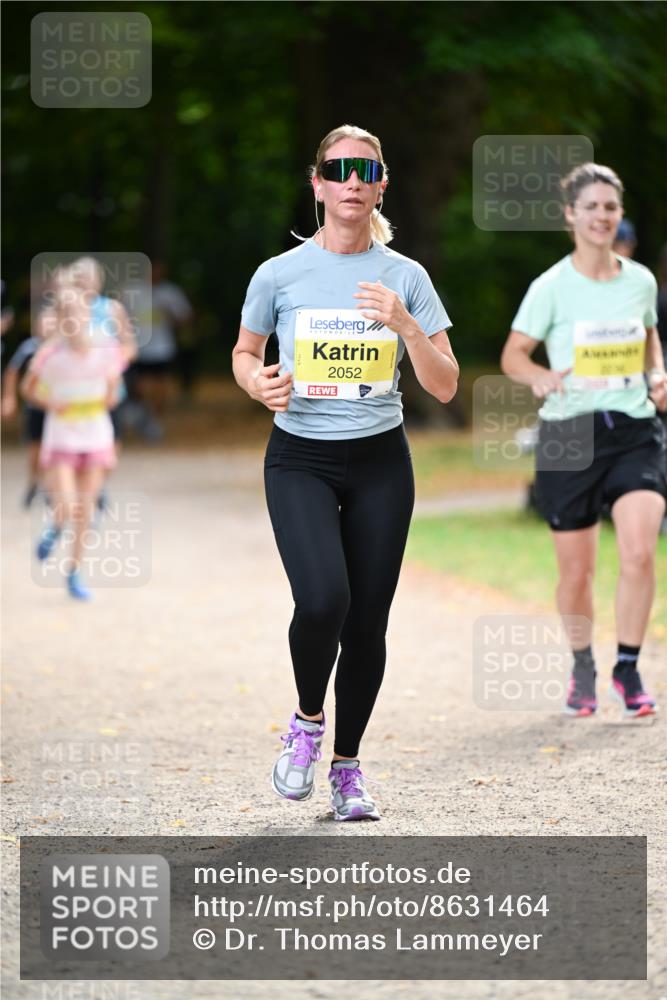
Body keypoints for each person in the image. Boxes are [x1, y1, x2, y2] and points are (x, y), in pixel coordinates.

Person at [232, 124, 458, 821]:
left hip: (379, 462)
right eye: (339, 169)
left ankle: (348, 769)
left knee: (366, 624)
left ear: (381, 182)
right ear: (318, 183)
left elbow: (446, 386)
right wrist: (256, 385)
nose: (352, 180)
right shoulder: (279, 274)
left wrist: (407, 326)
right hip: (299, 456)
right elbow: (245, 353)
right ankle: (305, 723)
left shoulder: (405, 277)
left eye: (365, 168)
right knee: (324, 599)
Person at [501, 162, 667, 719]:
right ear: (571, 214)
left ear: (619, 215)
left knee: (641, 551)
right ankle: (582, 665)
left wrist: (659, 373)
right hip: (568, 433)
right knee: (576, 573)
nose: (602, 216)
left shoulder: (640, 281)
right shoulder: (549, 287)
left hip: (634, 430)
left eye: (611, 208)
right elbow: (513, 354)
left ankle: (626, 665)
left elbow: (649, 340)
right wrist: (539, 376)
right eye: (591, 207)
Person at [21, 284, 125, 600]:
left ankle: (74, 572)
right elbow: (29, 389)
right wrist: (52, 403)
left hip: (95, 436)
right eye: (65, 314)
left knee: (85, 512)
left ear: (87, 314)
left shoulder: (106, 347)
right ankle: (54, 527)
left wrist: (102, 400)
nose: (72, 319)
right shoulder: (49, 353)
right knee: (66, 504)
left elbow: (115, 389)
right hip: (61, 437)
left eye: (77, 312)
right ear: (59, 318)